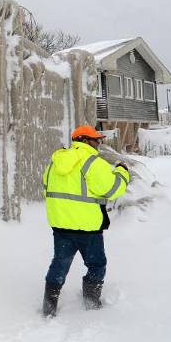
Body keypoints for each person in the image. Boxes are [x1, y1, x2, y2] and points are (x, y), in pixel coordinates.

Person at [42, 125, 130, 317]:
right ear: (84, 140)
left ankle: (48, 309)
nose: (98, 143)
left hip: (61, 225)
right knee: (96, 264)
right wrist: (123, 172)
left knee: (59, 264)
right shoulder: (92, 162)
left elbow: (46, 189)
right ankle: (91, 305)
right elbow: (113, 189)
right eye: (95, 140)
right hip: (88, 228)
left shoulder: (54, 162)